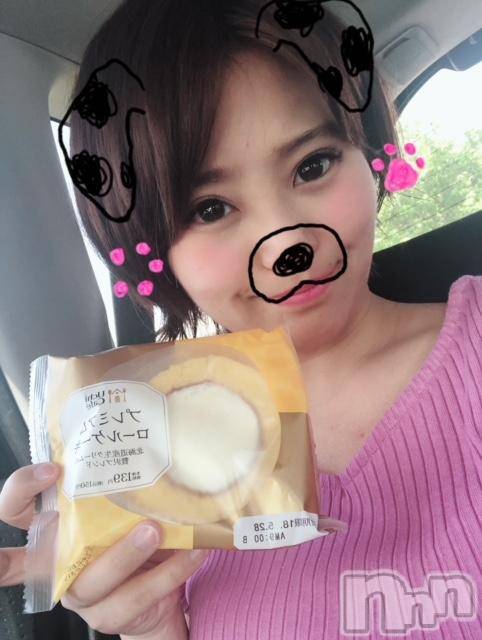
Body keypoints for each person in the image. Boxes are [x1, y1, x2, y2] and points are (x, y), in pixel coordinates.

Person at [1, 0, 481, 638]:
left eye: (313, 165)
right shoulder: (143, 460)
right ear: (152, 250)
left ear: (370, 156)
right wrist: (151, 624)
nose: (287, 242)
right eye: (209, 209)